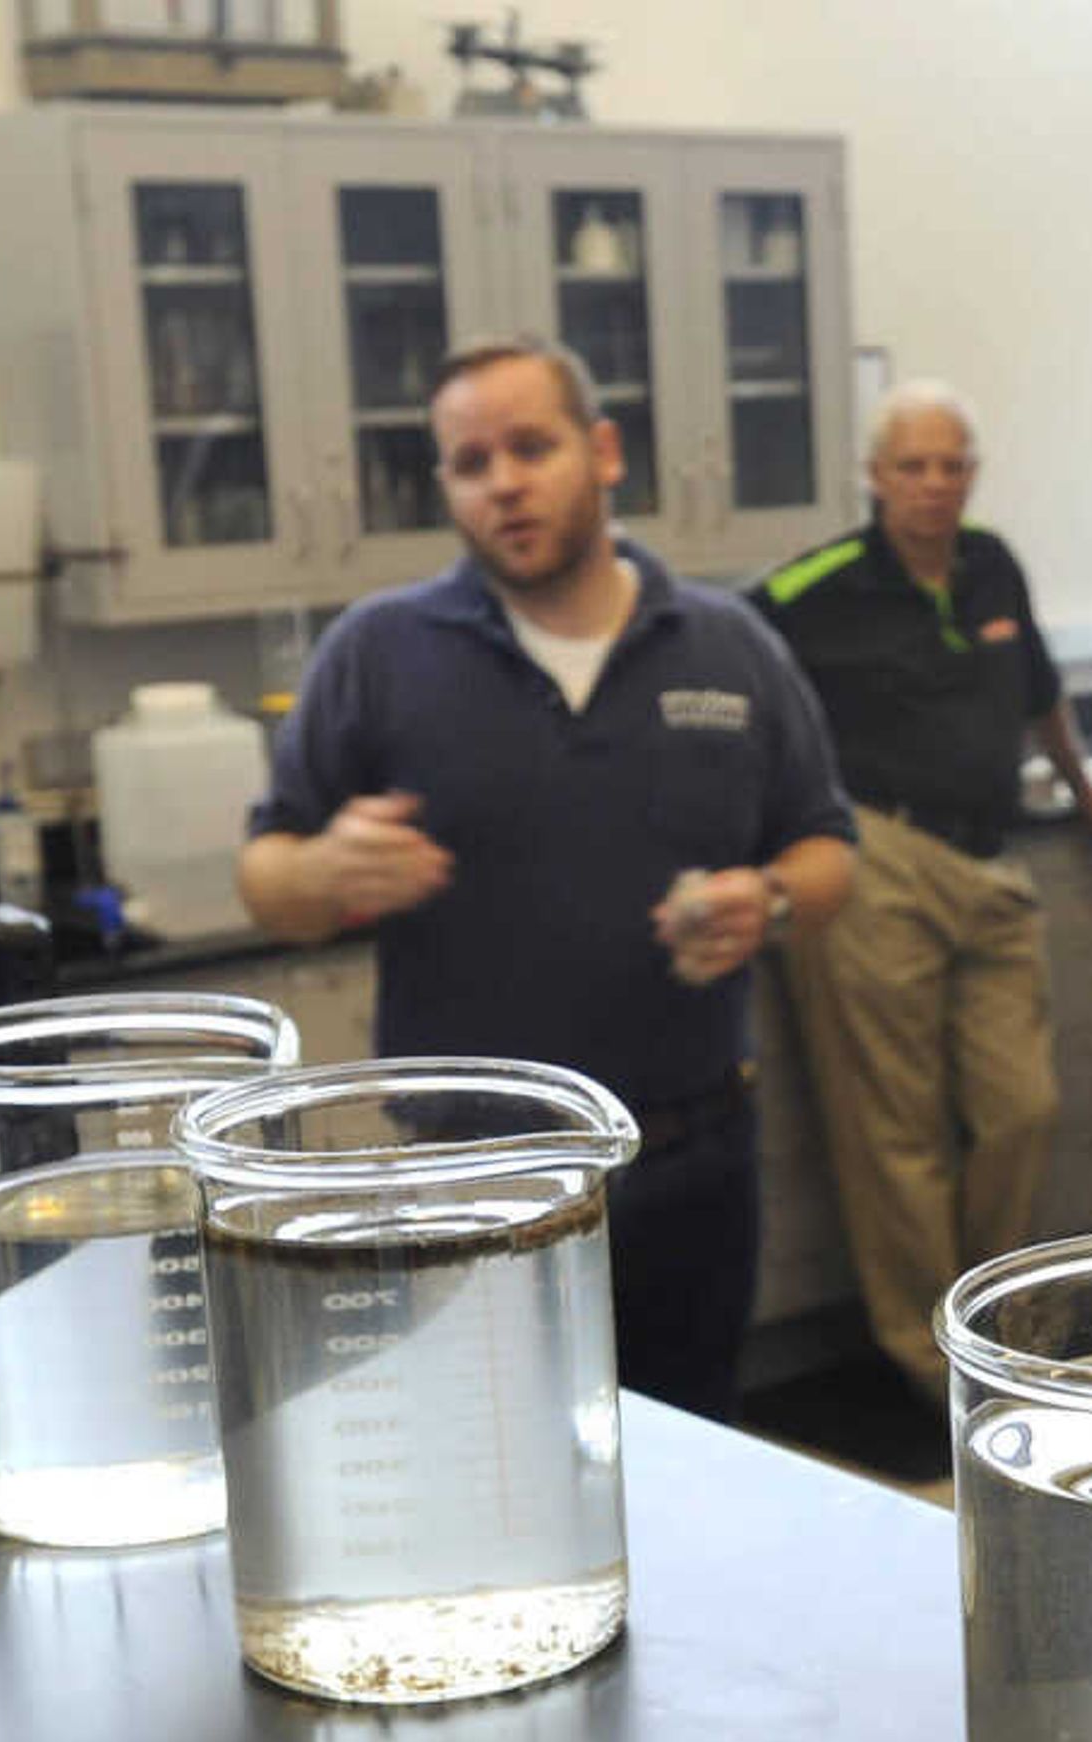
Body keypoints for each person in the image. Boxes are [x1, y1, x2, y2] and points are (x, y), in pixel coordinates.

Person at [241, 335, 857, 1421]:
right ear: (446, 487)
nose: (504, 483)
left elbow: (828, 849)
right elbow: (266, 876)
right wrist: (323, 870)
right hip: (468, 1180)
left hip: (693, 1166)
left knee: (696, 1460)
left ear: (604, 451)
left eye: (532, 447)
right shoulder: (379, 653)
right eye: (471, 464)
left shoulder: (728, 644)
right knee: (490, 1476)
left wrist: (766, 903)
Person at [755, 379, 1092, 1399]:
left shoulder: (993, 565)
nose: (933, 485)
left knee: (1024, 1108)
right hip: (877, 859)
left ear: (973, 473)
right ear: (875, 478)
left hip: (990, 864)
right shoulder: (812, 589)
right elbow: (723, 683)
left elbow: (1043, 695)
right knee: (899, 1139)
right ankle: (934, 1368)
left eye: (950, 464)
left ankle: (993, 1320)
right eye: (911, 467)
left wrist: (1085, 784)